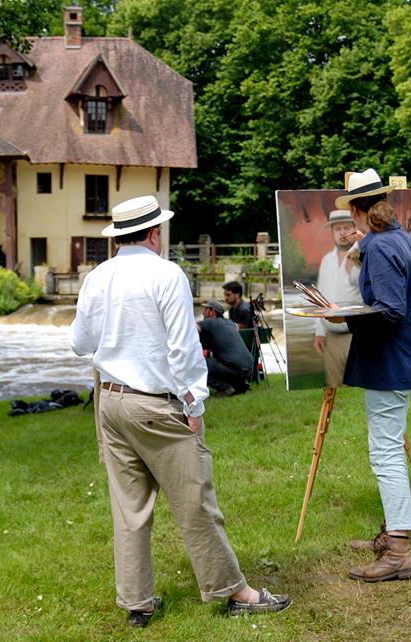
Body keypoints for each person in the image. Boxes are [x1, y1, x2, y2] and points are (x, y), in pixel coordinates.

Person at [71, 195, 291, 627]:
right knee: (195, 502)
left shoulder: (98, 277)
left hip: (111, 402)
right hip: (155, 403)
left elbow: (81, 343)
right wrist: (195, 402)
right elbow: (184, 347)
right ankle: (235, 591)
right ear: (154, 234)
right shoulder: (166, 274)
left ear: (119, 237)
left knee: (129, 507)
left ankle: (138, 602)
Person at [330, 168, 411, 582]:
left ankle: (400, 552)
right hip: (398, 357)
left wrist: (344, 315)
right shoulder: (399, 239)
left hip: (391, 361)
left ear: (357, 210)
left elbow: (389, 309)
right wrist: (363, 247)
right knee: (387, 451)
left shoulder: (383, 247)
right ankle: (393, 535)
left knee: (386, 455)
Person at [313, 210, 362, 388]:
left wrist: (357, 261)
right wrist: (319, 331)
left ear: (355, 230)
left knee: (357, 388)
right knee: (333, 387)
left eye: (347, 228)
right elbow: (321, 297)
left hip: (357, 334)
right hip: (331, 335)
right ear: (332, 232)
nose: (342, 233)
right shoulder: (326, 260)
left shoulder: (363, 258)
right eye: (337, 228)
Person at [198, 300, 252, 397]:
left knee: (197, 363)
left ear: (212, 312)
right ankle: (238, 385)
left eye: (205, 309)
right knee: (215, 361)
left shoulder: (210, 322)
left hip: (234, 368)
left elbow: (193, 328)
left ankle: (224, 387)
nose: (203, 312)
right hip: (248, 369)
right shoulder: (230, 323)